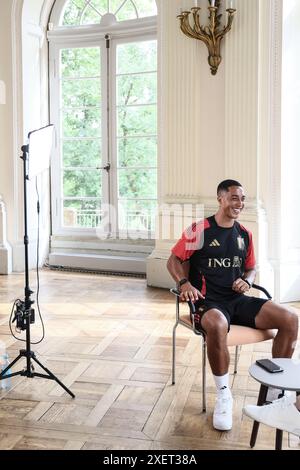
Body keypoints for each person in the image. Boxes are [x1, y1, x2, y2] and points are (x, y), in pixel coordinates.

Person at [167, 179, 298, 432]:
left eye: (243, 199)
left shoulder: (244, 234)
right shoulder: (200, 230)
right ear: (221, 199)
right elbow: (173, 260)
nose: (240, 203)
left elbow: (251, 268)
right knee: (216, 324)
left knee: (290, 318)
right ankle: (224, 395)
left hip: (238, 300)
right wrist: (183, 283)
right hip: (208, 303)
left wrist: (247, 281)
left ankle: (274, 391)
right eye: (235, 198)